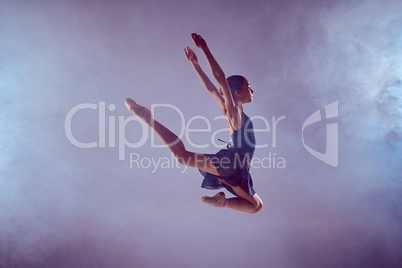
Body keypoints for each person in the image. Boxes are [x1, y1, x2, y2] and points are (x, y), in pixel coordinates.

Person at [125, 33, 263, 214]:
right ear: (236, 92)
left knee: (256, 206)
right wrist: (205, 50)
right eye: (248, 86)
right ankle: (147, 118)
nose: (252, 90)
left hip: (236, 168)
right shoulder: (234, 112)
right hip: (233, 163)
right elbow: (220, 80)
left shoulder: (232, 112)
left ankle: (223, 203)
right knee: (182, 157)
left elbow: (213, 90)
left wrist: (196, 66)